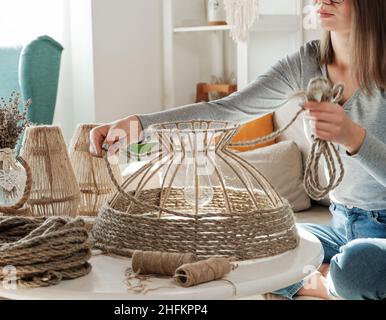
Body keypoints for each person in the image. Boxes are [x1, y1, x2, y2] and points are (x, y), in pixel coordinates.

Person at [90, 0, 386, 300]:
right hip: (340, 222)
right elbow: (228, 110)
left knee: (358, 267)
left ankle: (323, 282)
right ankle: (325, 278)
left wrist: (353, 137)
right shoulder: (309, 62)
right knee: (251, 242)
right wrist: (140, 124)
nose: (323, 0)